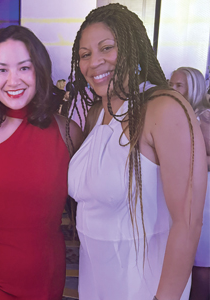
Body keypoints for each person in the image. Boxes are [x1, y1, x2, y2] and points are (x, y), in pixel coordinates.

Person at [67, 4, 207, 300]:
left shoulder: (163, 108)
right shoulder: (97, 113)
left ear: (132, 48)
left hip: (144, 283)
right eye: (85, 54)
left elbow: (189, 220)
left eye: (107, 48)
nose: (95, 62)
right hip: (96, 278)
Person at [0, 25, 83, 299]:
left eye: (24, 68)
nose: (13, 80)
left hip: (45, 272)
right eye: (2, 70)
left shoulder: (68, 132)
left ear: (40, 70)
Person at [170, 67, 210, 300]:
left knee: (201, 265)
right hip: (183, 195)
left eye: (179, 86)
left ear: (193, 88)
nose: (172, 90)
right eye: (171, 84)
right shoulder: (175, 114)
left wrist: (188, 160)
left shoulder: (203, 118)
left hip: (203, 199)